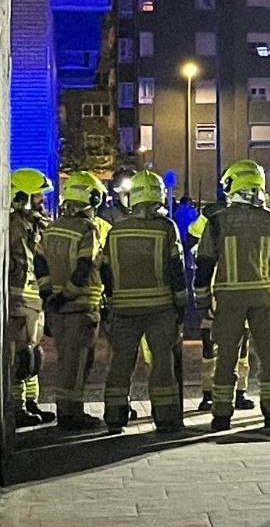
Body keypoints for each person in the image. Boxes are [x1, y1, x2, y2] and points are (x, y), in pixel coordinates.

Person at [194, 160, 270, 431]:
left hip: (229, 298)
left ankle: (222, 415)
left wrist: (203, 300)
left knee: (226, 357)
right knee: (268, 356)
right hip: (265, 296)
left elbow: (204, 265)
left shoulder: (216, 222)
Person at [100, 170, 187, 434]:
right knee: (162, 363)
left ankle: (115, 415)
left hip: (123, 309)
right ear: (159, 196)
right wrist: (181, 305)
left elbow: (105, 270)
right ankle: (166, 417)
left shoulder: (116, 231)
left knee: (120, 363)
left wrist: (112, 300)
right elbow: (176, 269)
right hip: (160, 308)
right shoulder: (166, 228)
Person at [39, 170, 106, 430]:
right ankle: (71, 415)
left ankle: (65, 410)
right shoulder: (86, 229)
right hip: (80, 307)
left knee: (65, 360)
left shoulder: (52, 227)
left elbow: (40, 262)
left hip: (56, 309)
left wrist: (50, 296)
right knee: (79, 363)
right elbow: (85, 266)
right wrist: (68, 293)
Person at [189, 190, 252, 412]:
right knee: (241, 346)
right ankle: (239, 393)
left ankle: (210, 395)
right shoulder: (251, 216)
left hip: (217, 291)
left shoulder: (212, 215)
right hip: (239, 291)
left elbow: (192, 237)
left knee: (211, 348)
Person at [9, 169, 56, 427]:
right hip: (18, 299)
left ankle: (30, 402)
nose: (42, 200)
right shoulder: (14, 224)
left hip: (33, 297)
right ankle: (17, 408)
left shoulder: (35, 224)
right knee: (22, 356)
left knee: (35, 355)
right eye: (37, 195)